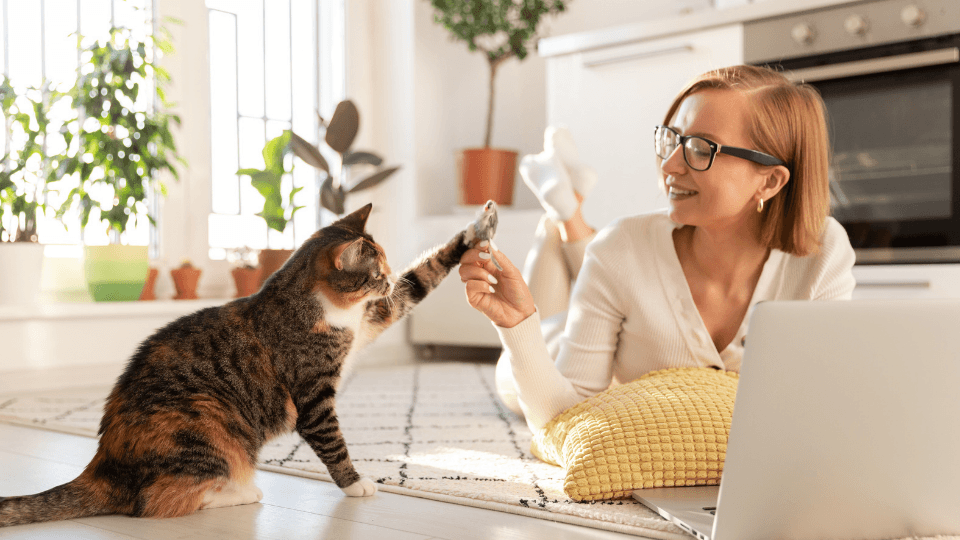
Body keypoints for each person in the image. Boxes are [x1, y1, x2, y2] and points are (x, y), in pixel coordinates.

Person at [458, 65, 857, 431]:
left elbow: (819, 410)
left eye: (702, 149)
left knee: (607, 256)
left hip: (612, 289)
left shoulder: (822, 254)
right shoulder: (620, 246)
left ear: (769, 182)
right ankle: (559, 218)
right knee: (519, 368)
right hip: (555, 345)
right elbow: (565, 419)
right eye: (672, 139)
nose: (669, 165)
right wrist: (516, 325)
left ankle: (565, 210)